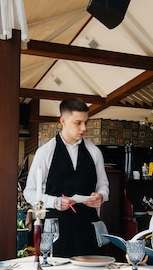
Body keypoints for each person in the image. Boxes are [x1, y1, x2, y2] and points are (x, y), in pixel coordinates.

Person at [24, 97, 109, 257]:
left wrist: (101, 195)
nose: (84, 128)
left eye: (86, 122)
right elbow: (30, 192)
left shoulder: (94, 152)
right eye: (78, 123)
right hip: (56, 230)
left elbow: (103, 185)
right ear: (63, 121)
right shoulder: (45, 152)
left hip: (88, 227)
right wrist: (54, 202)